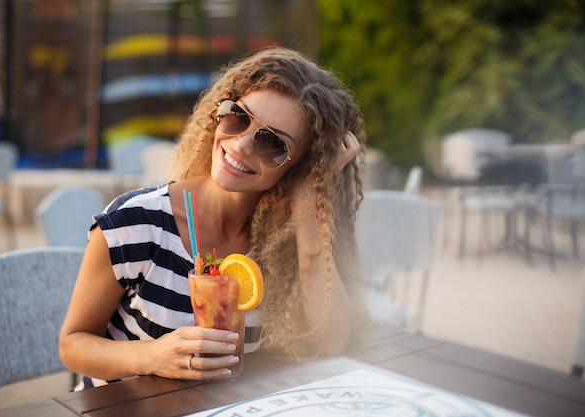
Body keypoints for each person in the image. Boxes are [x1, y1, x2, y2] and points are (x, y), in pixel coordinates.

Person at [59, 47, 366, 388]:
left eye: (273, 143)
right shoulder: (134, 224)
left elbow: (333, 343)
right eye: (239, 116)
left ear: (298, 167)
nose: (241, 145)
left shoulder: (282, 245)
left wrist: (310, 209)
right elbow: (73, 344)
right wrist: (153, 356)